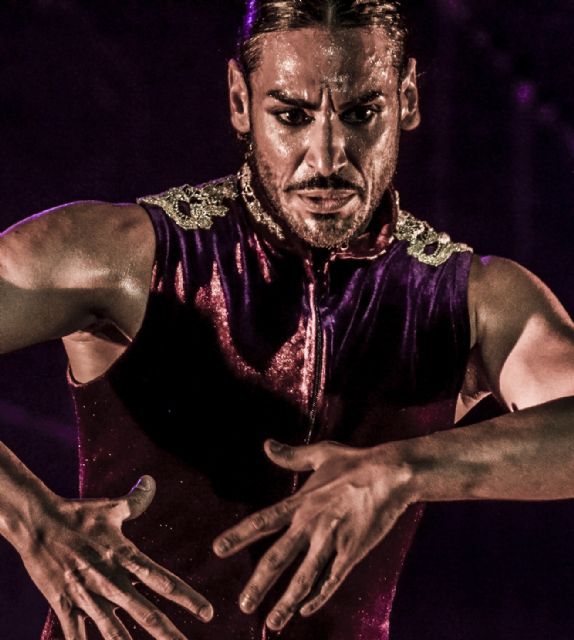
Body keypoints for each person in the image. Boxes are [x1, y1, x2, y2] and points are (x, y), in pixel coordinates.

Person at [0, 1, 572, 639]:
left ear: (407, 98)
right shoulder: (122, 255)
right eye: (292, 116)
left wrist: (404, 470)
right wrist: (31, 519)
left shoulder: (469, 297)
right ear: (241, 104)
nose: (326, 156)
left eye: (361, 113)